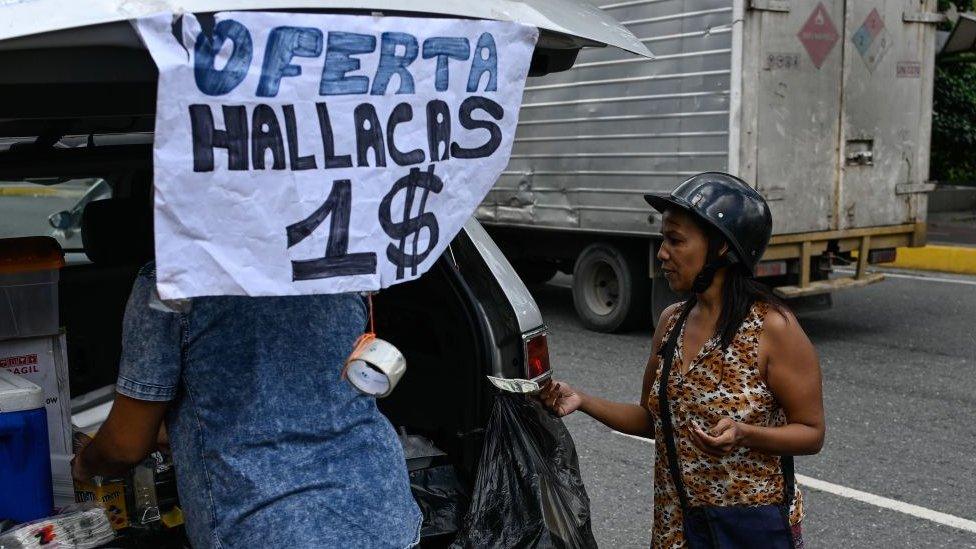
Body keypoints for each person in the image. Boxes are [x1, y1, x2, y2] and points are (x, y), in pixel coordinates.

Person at [539, 172, 824, 548]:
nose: (662, 253)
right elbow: (653, 421)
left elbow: (811, 432)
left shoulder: (773, 328)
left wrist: (745, 434)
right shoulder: (671, 322)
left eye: (675, 240)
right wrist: (583, 400)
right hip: (678, 526)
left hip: (749, 527)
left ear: (721, 247)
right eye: (663, 239)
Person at [72, 262, 422, 548]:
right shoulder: (338, 263)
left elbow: (123, 447)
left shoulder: (173, 281)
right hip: (381, 514)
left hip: (266, 528)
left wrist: (82, 466)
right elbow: (298, 397)